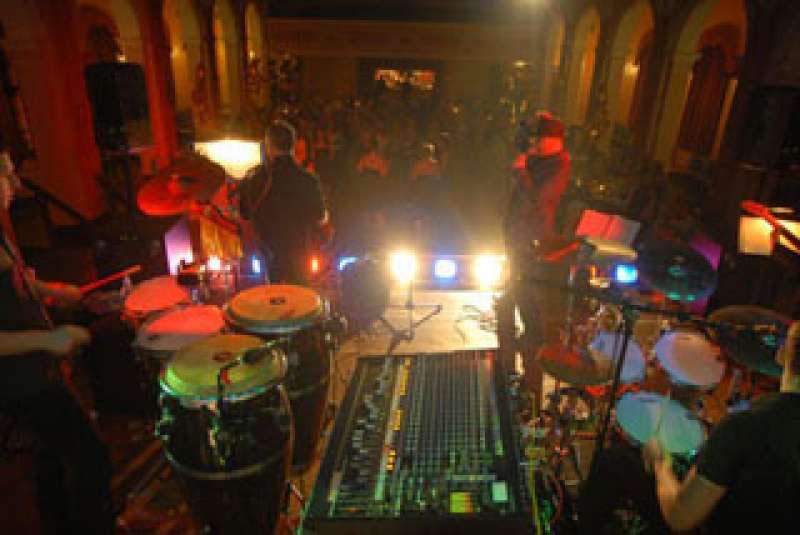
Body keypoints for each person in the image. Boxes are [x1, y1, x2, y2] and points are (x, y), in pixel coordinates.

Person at [0, 151, 115, 533]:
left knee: (51, 458)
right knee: (92, 457)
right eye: (7, 175)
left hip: (35, 369)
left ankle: (60, 524)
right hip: (20, 379)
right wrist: (52, 339)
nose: (17, 184)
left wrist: (57, 292)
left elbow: (18, 281)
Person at [643, 320, 800, 533]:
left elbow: (679, 517)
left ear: (781, 355)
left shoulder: (744, 426)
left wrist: (661, 464)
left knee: (616, 463)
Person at [498, 112, 571, 403]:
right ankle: (521, 342)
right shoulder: (540, 159)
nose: (534, 144)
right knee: (517, 290)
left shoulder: (559, 165)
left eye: (539, 139)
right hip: (517, 235)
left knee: (524, 293)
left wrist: (521, 171)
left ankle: (532, 353)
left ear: (554, 140)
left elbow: (537, 200)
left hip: (532, 239)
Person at [239, 120, 328, 284]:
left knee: (270, 296)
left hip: (267, 259)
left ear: (268, 145)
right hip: (300, 257)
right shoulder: (308, 180)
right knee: (300, 295)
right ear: (293, 145)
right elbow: (320, 217)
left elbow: (244, 214)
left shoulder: (254, 180)